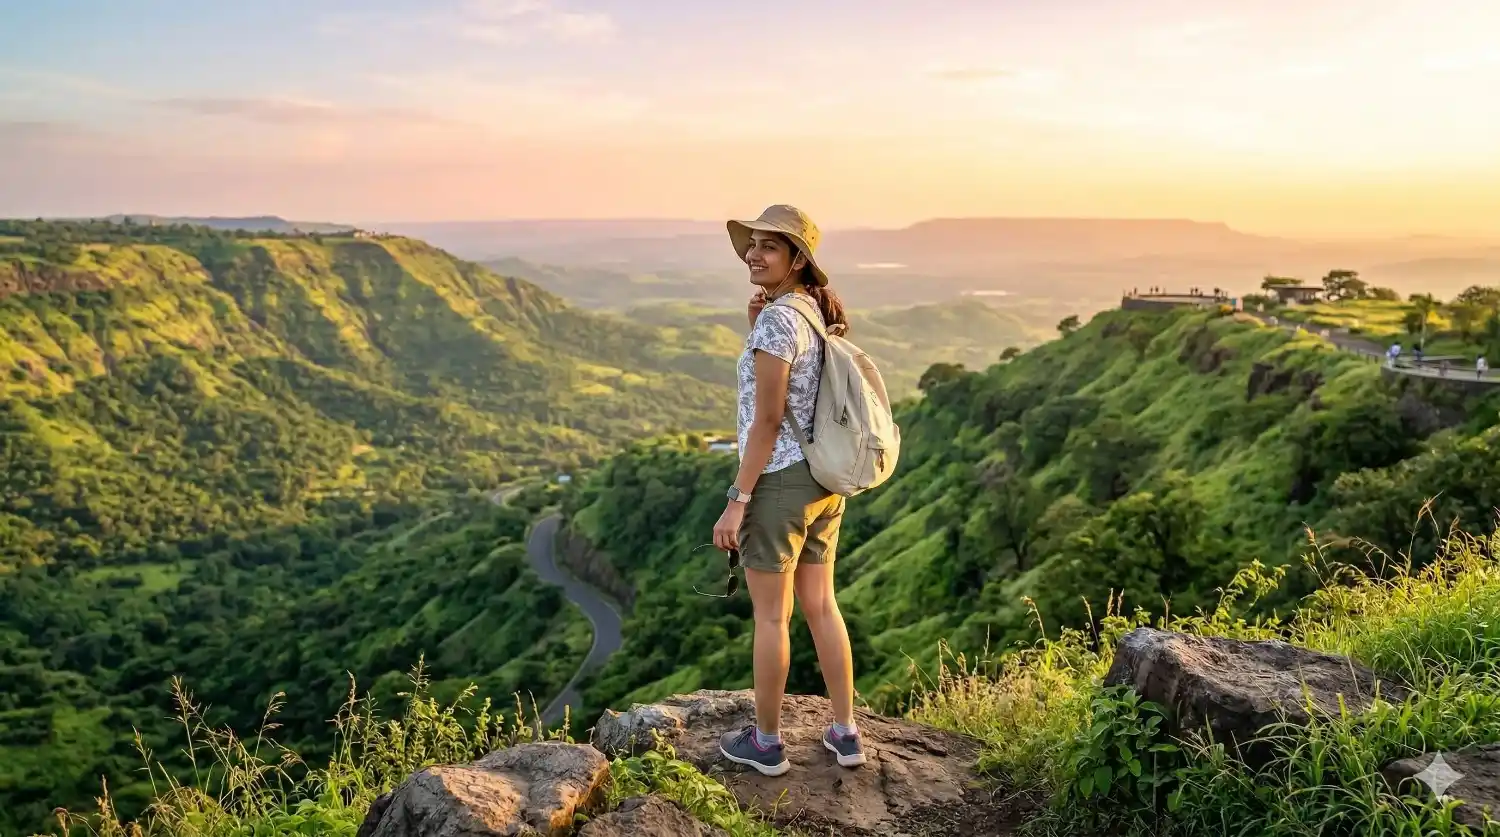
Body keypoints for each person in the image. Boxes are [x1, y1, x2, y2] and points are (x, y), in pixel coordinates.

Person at [711, 205, 864, 776]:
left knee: (773, 619)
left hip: (778, 483)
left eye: (768, 246)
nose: (753, 255)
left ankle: (768, 744)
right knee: (822, 605)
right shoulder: (810, 312)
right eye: (752, 244)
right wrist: (755, 324)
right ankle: (845, 732)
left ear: (797, 259)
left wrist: (737, 500)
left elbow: (769, 420)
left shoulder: (780, 322)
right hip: (822, 479)